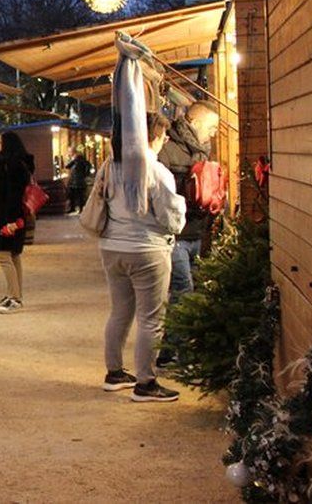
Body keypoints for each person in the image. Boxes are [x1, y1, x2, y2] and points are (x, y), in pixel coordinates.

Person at [99, 113, 186, 402]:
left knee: (119, 311)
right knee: (151, 318)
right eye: (163, 135)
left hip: (112, 248)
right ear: (153, 136)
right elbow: (171, 218)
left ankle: (114, 373)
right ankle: (146, 383)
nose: (166, 140)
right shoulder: (155, 170)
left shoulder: (111, 165)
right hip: (147, 249)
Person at [156, 101, 220, 366]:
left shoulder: (201, 151)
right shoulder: (168, 151)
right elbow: (160, 195)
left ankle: (170, 353)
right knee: (184, 291)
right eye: (211, 126)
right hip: (177, 237)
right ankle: (175, 353)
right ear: (194, 123)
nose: (214, 132)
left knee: (186, 293)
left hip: (197, 233)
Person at [0, 131, 31, 314]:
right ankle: (14, 294)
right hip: (14, 215)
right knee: (13, 255)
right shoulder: (19, 163)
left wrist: (9, 220)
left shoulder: (5, 164)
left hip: (4, 215)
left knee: (3, 255)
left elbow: (5, 192)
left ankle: (15, 298)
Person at [65, 146, 94, 214]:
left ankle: (76, 208)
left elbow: (67, 166)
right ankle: (78, 208)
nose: (69, 153)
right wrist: (85, 175)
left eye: (70, 151)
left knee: (76, 195)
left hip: (76, 181)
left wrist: (85, 174)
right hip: (77, 180)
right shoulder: (80, 160)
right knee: (78, 195)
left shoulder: (76, 160)